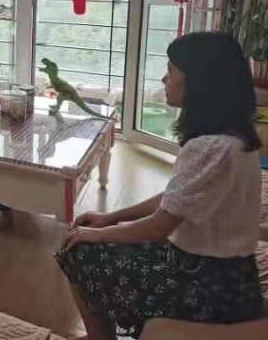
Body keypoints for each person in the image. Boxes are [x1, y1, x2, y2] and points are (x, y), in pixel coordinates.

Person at [55, 31, 263, 339]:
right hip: (233, 277)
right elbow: (174, 199)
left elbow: (159, 226)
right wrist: (110, 217)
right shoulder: (235, 138)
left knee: (78, 249)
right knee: (91, 239)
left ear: (198, 81)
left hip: (205, 283)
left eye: (171, 70)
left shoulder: (210, 147)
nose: (165, 79)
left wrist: (96, 234)